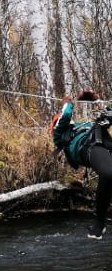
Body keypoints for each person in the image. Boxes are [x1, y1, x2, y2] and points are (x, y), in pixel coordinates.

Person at [51, 90, 112, 240]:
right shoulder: (59, 134)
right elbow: (65, 115)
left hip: (100, 139)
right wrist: (68, 102)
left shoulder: (81, 125)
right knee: (108, 174)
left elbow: (106, 115)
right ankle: (100, 222)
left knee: (105, 117)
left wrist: (95, 100)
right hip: (88, 148)